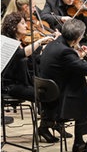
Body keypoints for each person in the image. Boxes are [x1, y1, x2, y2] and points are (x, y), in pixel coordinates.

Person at [40, 19, 87, 152]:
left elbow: (67, 65)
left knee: (83, 95)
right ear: (78, 37)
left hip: (50, 98)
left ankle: (79, 142)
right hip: (62, 103)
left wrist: (79, 56)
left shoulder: (53, 45)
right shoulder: (66, 52)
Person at [1, 12, 58, 142]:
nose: (26, 26)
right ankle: (46, 126)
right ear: (14, 27)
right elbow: (21, 55)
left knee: (53, 91)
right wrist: (40, 41)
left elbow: (33, 58)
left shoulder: (20, 42)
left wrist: (47, 47)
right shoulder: (9, 43)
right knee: (47, 95)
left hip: (24, 81)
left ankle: (50, 123)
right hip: (12, 86)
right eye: (22, 23)